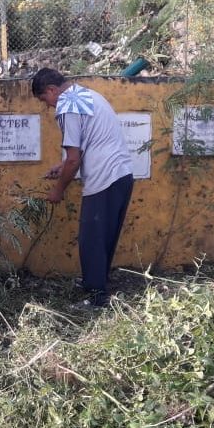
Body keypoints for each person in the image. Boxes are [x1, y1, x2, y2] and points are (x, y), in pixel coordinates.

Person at [32, 67, 134, 308]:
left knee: (92, 239)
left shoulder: (67, 106)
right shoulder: (89, 95)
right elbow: (86, 144)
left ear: (51, 90)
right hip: (122, 174)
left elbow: (75, 159)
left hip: (104, 177)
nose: (47, 105)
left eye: (44, 99)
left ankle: (97, 298)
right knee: (104, 236)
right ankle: (95, 282)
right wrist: (62, 165)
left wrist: (58, 189)